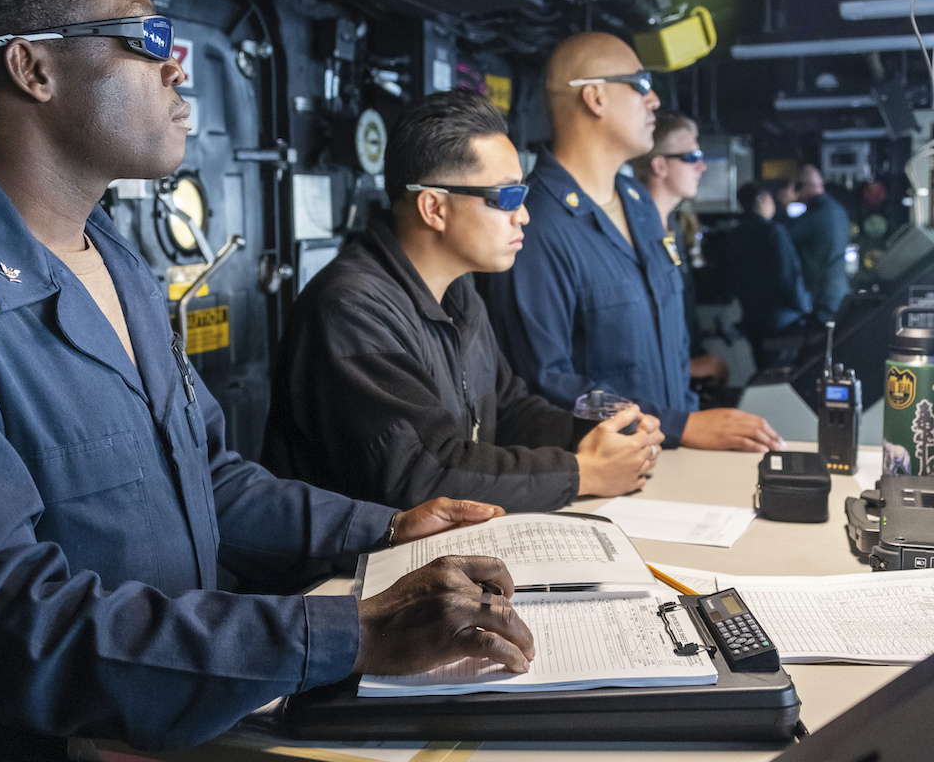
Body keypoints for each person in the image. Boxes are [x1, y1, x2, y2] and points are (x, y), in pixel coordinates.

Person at [0, 0, 537, 759]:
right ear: (32, 68)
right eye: (147, 38)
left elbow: (206, 476)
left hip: (178, 725)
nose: (179, 64)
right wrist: (352, 631)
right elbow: (7, 624)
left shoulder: (114, 260)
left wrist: (388, 527)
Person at [261, 89, 664, 512]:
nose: (523, 215)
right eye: (507, 197)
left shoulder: (458, 293)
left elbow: (507, 410)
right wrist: (583, 473)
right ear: (434, 207)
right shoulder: (352, 309)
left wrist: (597, 434)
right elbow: (422, 472)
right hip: (345, 574)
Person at [484, 32, 784, 454]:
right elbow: (546, 383)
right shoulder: (537, 225)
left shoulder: (639, 204)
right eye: (640, 84)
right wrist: (678, 424)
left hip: (674, 457)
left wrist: (685, 419)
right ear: (595, 98)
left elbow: (671, 341)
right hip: (607, 475)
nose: (654, 100)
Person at [630, 112, 729, 386]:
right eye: (692, 157)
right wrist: (688, 367)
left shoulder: (671, 224)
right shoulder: (630, 231)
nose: (703, 166)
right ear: (660, 166)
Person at [728, 181, 813, 370]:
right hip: (782, 322)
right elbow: (788, 277)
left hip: (752, 319)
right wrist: (804, 307)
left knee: (763, 374)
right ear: (763, 199)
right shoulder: (774, 232)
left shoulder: (735, 235)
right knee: (784, 374)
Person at [788, 163, 851, 322]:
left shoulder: (815, 215)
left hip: (822, 297)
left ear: (803, 186)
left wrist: (783, 205)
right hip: (839, 292)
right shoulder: (838, 210)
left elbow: (784, 236)